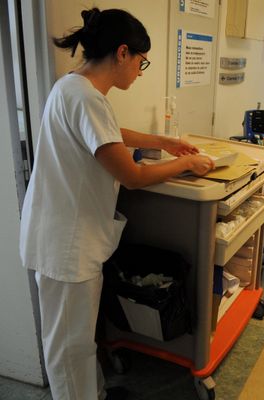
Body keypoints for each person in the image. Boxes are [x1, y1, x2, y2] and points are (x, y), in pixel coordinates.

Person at [19, 8, 214, 400]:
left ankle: (96, 393)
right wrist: (187, 163)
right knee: (69, 350)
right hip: (66, 248)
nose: (140, 72)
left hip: (64, 240)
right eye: (142, 62)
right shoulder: (86, 97)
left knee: (77, 341)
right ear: (123, 53)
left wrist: (162, 142)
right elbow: (132, 177)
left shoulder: (74, 88)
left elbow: (108, 132)